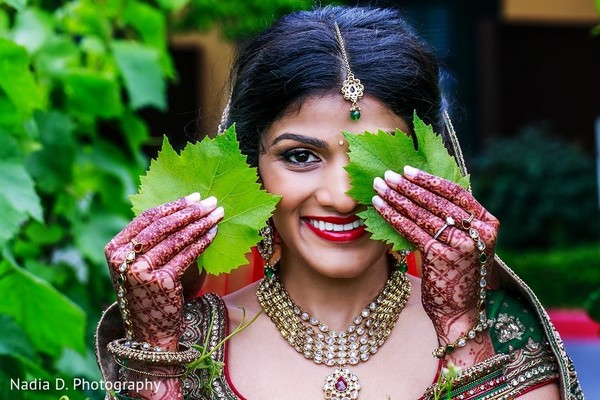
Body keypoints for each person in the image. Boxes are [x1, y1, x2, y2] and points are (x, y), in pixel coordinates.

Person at [96, 5, 584, 400]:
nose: (341, 196)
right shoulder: (186, 345)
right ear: (250, 169)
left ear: (430, 171)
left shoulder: (499, 339)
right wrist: (157, 350)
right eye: (301, 156)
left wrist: (460, 330)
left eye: (373, 162)